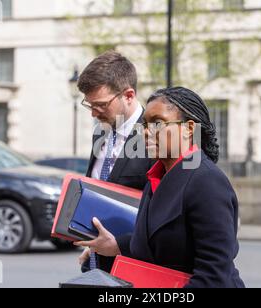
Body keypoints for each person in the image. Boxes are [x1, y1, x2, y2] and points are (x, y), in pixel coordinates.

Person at [75, 87, 245, 288]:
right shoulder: (156, 177)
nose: (146, 132)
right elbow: (157, 242)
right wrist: (116, 245)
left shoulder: (207, 182)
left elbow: (213, 275)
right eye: (145, 124)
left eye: (158, 123)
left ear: (189, 129)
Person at [77, 51, 154, 273]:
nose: (93, 113)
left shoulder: (156, 138)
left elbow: (160, 219)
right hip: (95, 265)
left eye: (100, 104)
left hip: (133, 269)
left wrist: (118, 246)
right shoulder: (99, 134)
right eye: (89, 104)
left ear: (128, 95)